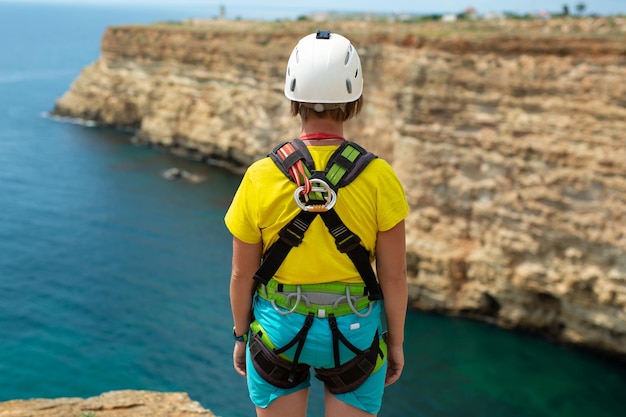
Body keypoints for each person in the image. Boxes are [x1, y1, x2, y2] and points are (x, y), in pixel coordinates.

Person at [225, 30, 409, 417]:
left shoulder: (261, 176)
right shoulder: (379, 177)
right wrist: (395, 344)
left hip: (278, 329)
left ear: (294, 98)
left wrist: (241, 336)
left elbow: (243, 275)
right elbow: (393, 277)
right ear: (355, 100)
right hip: (355, 331)